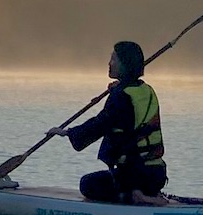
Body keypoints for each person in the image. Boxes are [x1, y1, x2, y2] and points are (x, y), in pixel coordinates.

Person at [49, 40, 169, 204]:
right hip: (157, 175)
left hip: (133, 176)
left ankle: (135, 196)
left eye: (114, 59)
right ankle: (147, 194)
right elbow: (127, 115)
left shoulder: (122, 96)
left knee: (87, 184)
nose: (109, 63)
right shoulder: (145, 90)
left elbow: (100, 125)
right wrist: (118, 88)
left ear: (125, 64)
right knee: (102, 180)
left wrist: (68, 132)